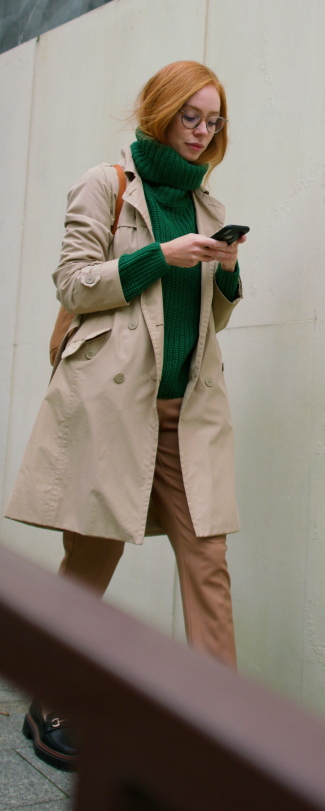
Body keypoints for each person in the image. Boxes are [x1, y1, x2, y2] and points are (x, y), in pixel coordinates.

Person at [5, 60, 246, 772]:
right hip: (116, 407)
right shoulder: (107, 185)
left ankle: (223, 726)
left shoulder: (206, 204)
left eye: (215, 120)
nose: (203, 132)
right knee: (93, 554)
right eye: (191, 117)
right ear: (161, 112)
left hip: (186, 411)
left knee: (208, 562)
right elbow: (73, 283)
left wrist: (226, 271)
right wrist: (157, 256)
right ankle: (50, 698)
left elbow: (209, 318)